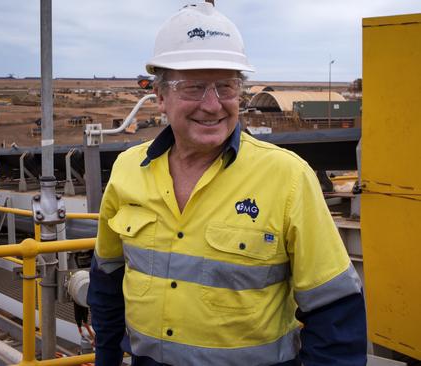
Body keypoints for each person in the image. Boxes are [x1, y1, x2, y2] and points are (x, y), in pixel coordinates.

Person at [87, 4, 367, 366]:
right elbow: (107, 280)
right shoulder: (127, 170)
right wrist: (105, 358)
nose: (212, 104)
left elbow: (336, 315)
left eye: (226, 86)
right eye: (194, 87)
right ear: (160, 97)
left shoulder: (287, 178)